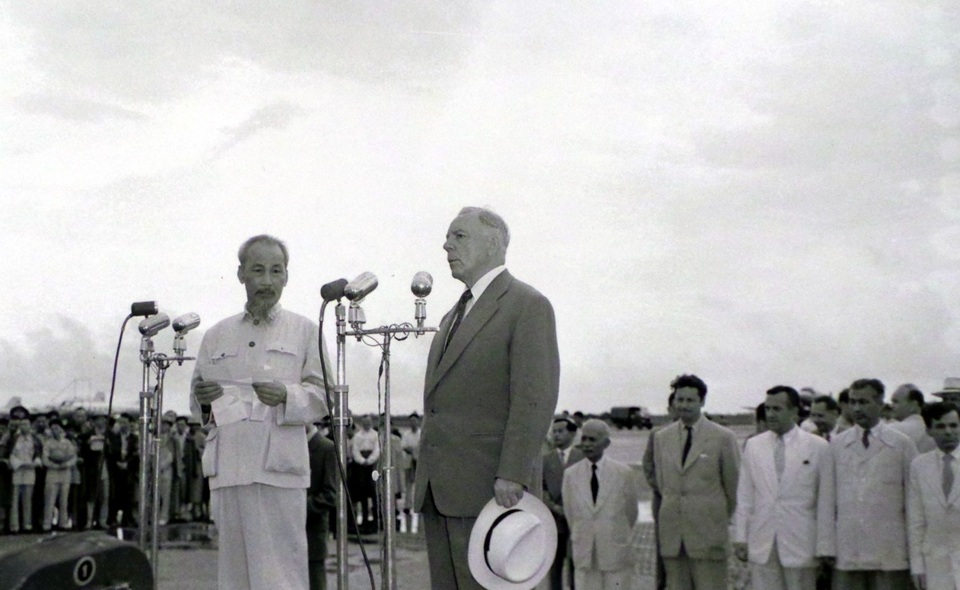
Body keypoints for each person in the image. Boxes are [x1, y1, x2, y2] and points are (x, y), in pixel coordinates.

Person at [414, 207, 560, 589]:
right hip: (439, 490)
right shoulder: (453, 314)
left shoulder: (526, 305)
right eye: (448, 237)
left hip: (489, 489)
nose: (446, 245)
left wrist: (512, 472)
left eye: (458, 236)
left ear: (494, 242)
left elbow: (534, 398)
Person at [190, 234, 329, 590]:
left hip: (279, 471)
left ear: (286, 277)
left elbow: (324, 396)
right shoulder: (216, 335)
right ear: (241, 275)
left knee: (281, 573)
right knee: (234, 576)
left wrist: (287, 395)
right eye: (257, 270)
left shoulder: (305, 331)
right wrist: (205, 401)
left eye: (275, 271)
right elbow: (197, 403)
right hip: (229, 470)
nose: (266, 281)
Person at [733, 386, 835, 590]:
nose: (770, 414)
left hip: (802, 542)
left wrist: (825, 546)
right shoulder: (754, 446)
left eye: (777, 409)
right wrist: (741, 537)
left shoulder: (818, 446)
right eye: (768, 409)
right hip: (763, 541)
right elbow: (745, 495)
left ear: (794, 412)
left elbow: (826, 500)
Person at [652, 374, 740, 590]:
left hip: (708, 535)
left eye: (690, 400)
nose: (684, 405)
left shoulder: (723, 437)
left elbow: (733, 488)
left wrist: (716, 520)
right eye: (679, 400)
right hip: (674, 537)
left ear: (702, 402)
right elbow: (664, 485)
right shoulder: (661, 438)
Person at [832, 378, 917, 589]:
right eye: (853, 402)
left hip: (890, 551)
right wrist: (826, 547)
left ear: (880, 403)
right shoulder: (837, 445)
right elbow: (827, 499)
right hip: (849, 549)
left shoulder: (901, 444)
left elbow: (914, 500)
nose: (857, 408)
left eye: (864, 402)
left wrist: (914, 551)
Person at [562, 419, 639, 590]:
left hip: (615, 551)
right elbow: (570, 514)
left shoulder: (623, 473)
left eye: (593, 440)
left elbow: (631, 514)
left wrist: (612, 531)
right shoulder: (570, 475)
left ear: (606, 443)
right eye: (584, 439)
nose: (587, 444)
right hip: (585, 551)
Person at [907, 402, 960, 590]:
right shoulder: (920, 466)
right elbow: (916, 521)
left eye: (953, 425)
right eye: (940, 426)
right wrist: (917, 567)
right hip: (935, 564)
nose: (948, 432)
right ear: (929, 431)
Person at [543, 416, 585, 590]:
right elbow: (542, 488)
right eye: (554, 432)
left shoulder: (582, 457)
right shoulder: (546, 459)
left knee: (577, 564)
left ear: (572, 433)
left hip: (578, 520)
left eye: (561, 431)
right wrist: (555, 508)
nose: (557, 435)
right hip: (555, 520)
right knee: (555, 564)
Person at [641, 392, 678, 590]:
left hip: (690, 505)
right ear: (670, 409)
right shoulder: (657, 435)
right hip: (663, 501)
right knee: (663, 551)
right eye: (676, 405)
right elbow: (648, 465)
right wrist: (663, 488)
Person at [306, 422, 337, 590]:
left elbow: (331, 494)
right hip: (290, 532)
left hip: (313, 531)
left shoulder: (327, 448)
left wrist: (300, 507)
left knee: (316, 582)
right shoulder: (291, 445)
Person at [42, 420, 77, 531]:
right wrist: (53, 465)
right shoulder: (48, 443)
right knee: (50, 499)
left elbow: (73, 457)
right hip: (52, 472)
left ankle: (63, 522)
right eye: (52, 429)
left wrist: (66, 464)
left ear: (61, 429)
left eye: (57, 428)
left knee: (64, 500)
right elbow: (45, 458)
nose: (55, 431)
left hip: (65, 472)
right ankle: (47, 524)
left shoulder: (67, 443)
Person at [107, 412, 139, 527]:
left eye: (125, 422)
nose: (123, 425)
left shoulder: (134, 438)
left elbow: (136, 454)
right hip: (115, 468)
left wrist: (128, 463)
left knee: (129, 495)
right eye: (120, 422)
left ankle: (128, 518)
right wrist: (117, 462)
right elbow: (110, 452)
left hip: (129, 469)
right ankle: (112, 518)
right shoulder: (113, 437)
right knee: (114, 494)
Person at [349, 414, 379, 532]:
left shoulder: (375, 435)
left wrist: (369, 461)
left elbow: (377, 450)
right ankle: (364, 521)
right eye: (365, 422)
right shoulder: (357, 435)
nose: (367, 424)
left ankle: (375, 523)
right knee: (362, 493)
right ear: (362, 423)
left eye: (369, 422)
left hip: (372, 465)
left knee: (374, 492)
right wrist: (362, 461)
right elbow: (355, 450)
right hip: (360, 465)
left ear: (371, 422)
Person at [889, 384, 936, 453]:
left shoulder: (893, 429)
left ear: (913, 405)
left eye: (896, 402)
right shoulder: (934, 431)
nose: (891, 406)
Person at [399, 412, 421, 534]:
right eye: (411, 421)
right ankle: (407, 505)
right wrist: (412, 451)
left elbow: (421, 446)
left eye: (415, 421)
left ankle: (418, 504)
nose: (413, 423)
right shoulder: (406, 434)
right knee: (408, 484)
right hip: (409, 462)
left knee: (419, 484)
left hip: (419, 462)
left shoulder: (421, 433)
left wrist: (415, 452)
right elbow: (404, 446)